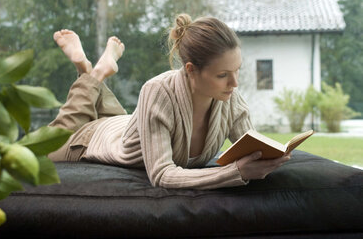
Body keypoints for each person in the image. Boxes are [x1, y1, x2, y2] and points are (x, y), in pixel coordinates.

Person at [48, 14, 290, 190]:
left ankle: (94, 73)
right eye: (223, 75)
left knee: (105, 113)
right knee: (38, 149)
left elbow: (253, 145)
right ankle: (91, 72)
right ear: (191, 70)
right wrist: (232, 173)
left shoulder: (228, 97)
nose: (234, 83)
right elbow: (162, 175)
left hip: (128, 125)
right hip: (91, 138)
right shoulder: (157, 92)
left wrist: (275, 154)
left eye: (237, 70)